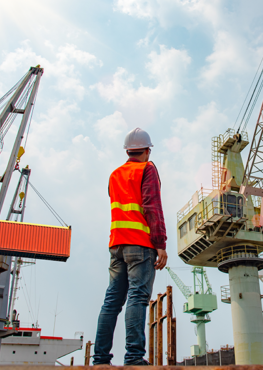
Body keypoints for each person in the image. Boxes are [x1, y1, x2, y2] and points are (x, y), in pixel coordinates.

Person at [93, 128, 168, 366]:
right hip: (140, 244)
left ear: (128, 151)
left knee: (112, 301)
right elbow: (151, 206)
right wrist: (160, 244)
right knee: (137, 297)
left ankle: (100, 359)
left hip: (116, 244)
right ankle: (134, 357)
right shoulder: (148, 169)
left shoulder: (115, 174)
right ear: (146, 151)